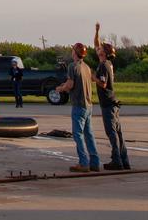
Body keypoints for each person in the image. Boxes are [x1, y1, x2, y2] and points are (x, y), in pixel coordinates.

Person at [56, 42, 101, 172]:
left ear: (75, 52)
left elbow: (70, 84)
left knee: (78, 135)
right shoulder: (86, 67)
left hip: (78, 105)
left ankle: (83, 163)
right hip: (88, 105)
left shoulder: (72, 66)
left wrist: (60, 88)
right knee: (89, 134)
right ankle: (95, 162)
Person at [94, 23, 130, 171]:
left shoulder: (103, 66)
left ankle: (117, 161)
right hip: (113, 102)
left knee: (112, 132)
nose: (98, 49)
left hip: (108, 103)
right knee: (118, 133)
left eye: (101, 49)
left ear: (104, 53)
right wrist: (97, 31)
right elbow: (96, 43)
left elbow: (103, 84)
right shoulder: (108, 63)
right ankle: (124, 160)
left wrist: (92, 77)